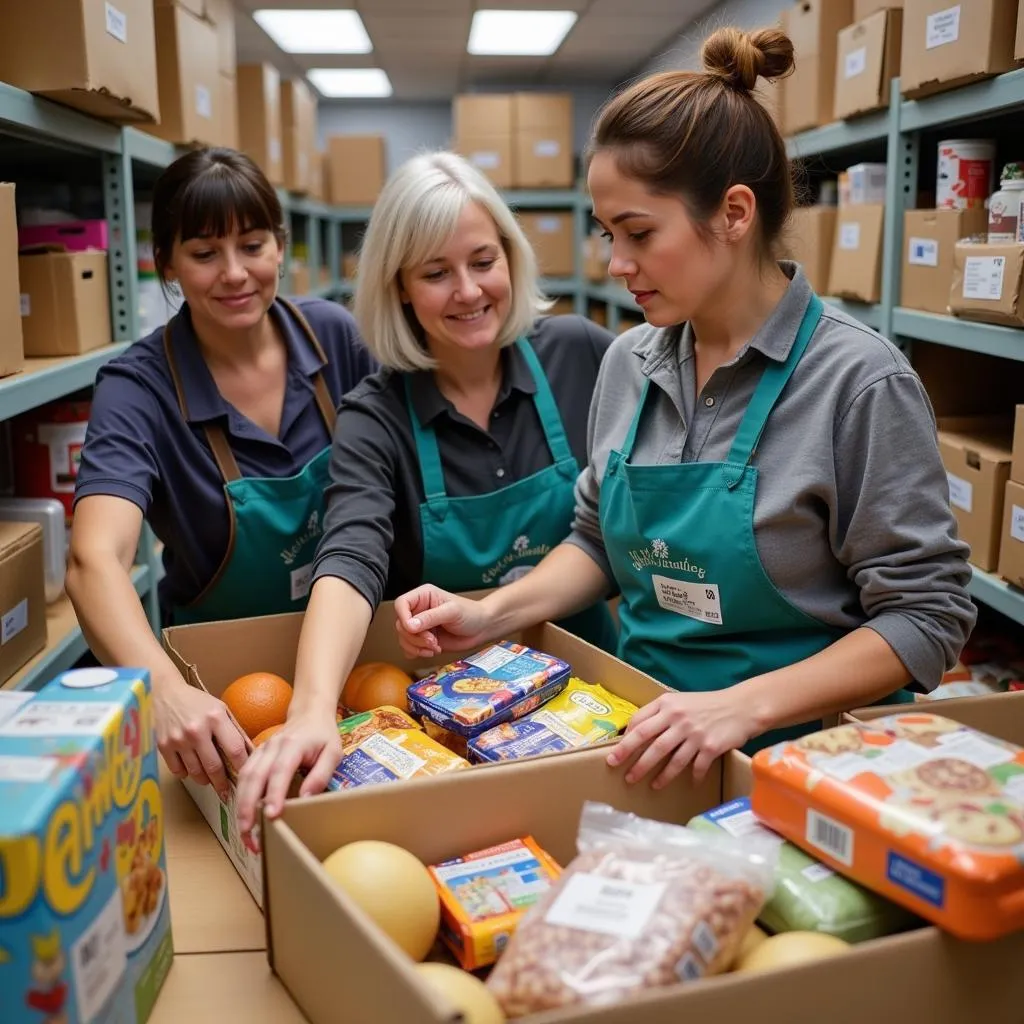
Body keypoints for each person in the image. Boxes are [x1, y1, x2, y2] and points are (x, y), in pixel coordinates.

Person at [390, 27, 977, 790]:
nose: (616, 264)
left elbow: (927, 618)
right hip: (646, 741)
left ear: (734, 214)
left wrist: (741, 707)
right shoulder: (630, 361)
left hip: (807, 766)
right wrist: (493, 612)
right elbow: (598, 542)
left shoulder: (858, 382)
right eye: (608, 233)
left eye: (638, 233)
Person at [233, 151, 616, 833]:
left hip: (591, 705)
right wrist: (315, 706)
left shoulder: (582, 354)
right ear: (401, 287)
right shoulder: (375, 414)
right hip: (450, 734)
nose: (468, 291)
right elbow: (350, 556)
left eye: (482, 260)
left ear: (510, 256)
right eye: (436, 273)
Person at [66, 148, 377, 800]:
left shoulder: (335, 339)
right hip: (222, 700)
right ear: (166, 263)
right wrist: (166, 691)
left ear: (280, 245)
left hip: (356, 662)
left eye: (254, 245)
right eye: (205, 253)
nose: (236, 274)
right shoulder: (139, 388)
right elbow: (94, 560)